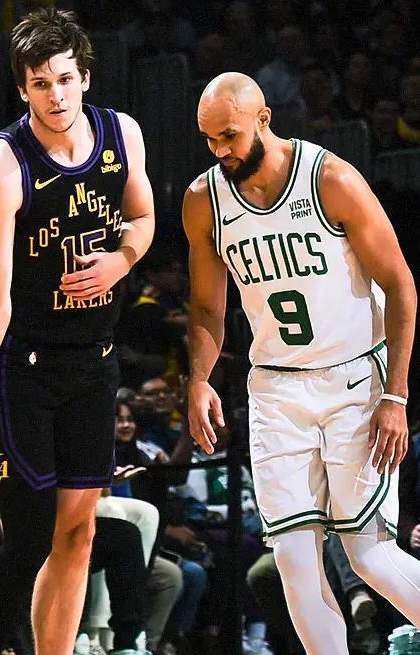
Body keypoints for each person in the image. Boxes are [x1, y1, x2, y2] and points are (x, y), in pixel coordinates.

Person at [0, 9, 154, 655]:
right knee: (29, 538)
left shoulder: (123, 133)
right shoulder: (2, 168)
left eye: (63, 79)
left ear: (85, 77)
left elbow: (142, 217)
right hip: (24, 369)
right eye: (39, 83)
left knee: (79, 535)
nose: (54, 95)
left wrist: (121, 260)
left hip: (94, 361)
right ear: (22, 89)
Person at [183, 71, 419, 655]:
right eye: (209, 139)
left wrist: (396, 395)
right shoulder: (203, 201)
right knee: (291, 559)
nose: (219, 150)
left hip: (354, 379)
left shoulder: (330, 179)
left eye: (229, 136)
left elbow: (400, 284)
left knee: (369, 556)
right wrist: (199, 379)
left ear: (264, 119)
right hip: (275, 389)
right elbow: (208, 307)